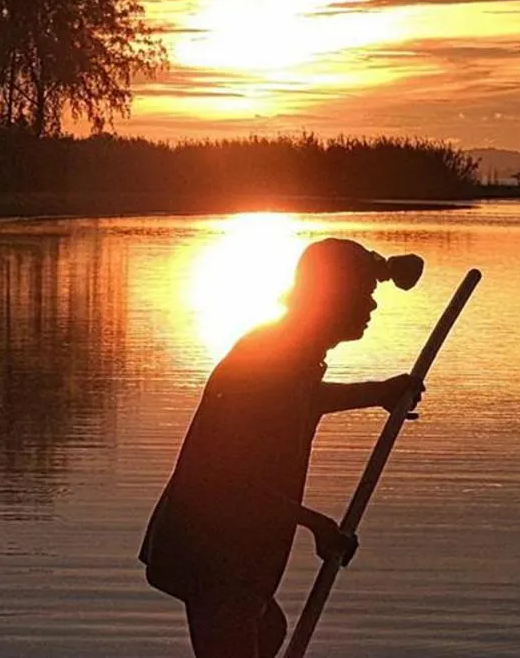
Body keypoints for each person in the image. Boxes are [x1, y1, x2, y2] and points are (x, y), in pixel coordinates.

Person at [139, 237, 426, 658]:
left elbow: (305, 398)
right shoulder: (271, 356)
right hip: (212, 551)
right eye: (363, 294)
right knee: (242, 635)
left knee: (269, 631)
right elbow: (226, 479)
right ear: (331, 297)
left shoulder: (290, 351)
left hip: (233, 552)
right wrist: (315, 525)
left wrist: (379, 392)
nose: (372, 307)